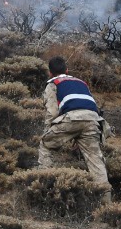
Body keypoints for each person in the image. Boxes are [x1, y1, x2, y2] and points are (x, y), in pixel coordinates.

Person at [36, 56, 110, 191]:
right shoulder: (81, 82)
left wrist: (48, 132)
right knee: (95, 159)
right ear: (67, 70)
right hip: (93, 120)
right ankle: (105, 197)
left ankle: (43, 184)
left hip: (72, 119)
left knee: (45, 144)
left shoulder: (53, 83)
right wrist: (80, 135)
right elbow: (89, 106)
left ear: (50, 72)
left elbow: (52, 113)